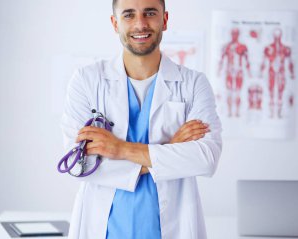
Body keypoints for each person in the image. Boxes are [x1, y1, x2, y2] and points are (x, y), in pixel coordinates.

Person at [60, 0, 222, 238]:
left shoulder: (193, 83)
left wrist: (120, 149)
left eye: (150, 13)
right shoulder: (87, 80)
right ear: (115, 23)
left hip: (171, 229)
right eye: (128, 15)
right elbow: (78, 165)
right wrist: (170, 150)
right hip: (103, 229)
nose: (140, 23)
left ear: (164, 20)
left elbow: (206, 159)